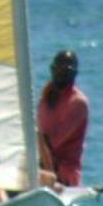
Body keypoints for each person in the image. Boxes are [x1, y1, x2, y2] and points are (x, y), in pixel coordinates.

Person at [37, 48, 89, 187]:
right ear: (52, 69)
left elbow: (51, 142)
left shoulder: (78, 103)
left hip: (64, 175)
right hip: (39, 169)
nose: (62, 73)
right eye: (59, 68)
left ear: (75, 74)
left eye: (68, 70)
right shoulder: (46, 97)